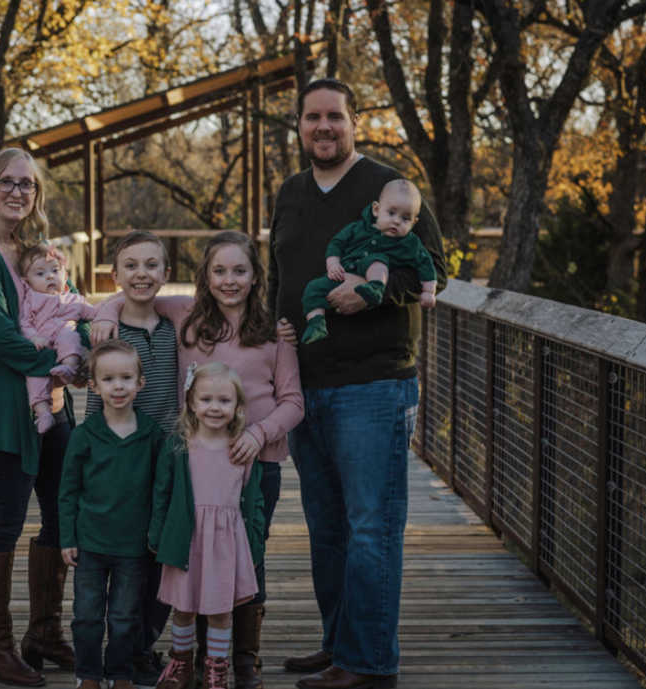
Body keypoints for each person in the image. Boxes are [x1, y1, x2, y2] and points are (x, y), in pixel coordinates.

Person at [267, 79, 447, 689]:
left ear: (353, 122)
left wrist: (371, 295)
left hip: (372, 385)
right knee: (327, 526)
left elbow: (434, 271)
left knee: (372, 525)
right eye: (313, 117)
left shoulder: (389, 187)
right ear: (299, 124)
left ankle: (370, 665)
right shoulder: (290, 193)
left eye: (335, 117)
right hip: (304, 386)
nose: (324, 127)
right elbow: (278, 276)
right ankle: (340, 643)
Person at [93, 230, 304, 689]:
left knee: (248, 556)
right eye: (219, 271)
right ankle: (188, 654)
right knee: (189, 555)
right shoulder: (186, 315)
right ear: (205, 277)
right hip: (193, 468)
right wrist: (106, 311)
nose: (229, 280)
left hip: (253, 464)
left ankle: (241, 657)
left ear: (254, 277)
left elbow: (293, 402)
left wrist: (258, 433)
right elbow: (134, 295)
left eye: (240, 271)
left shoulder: (273, 333)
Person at [0, 147, 80, 686]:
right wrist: (67, 365)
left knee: (60, 512)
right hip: (7, 407)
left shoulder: (32, 248)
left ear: (36, 193)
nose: (17, 192)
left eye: (27, 184)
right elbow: (1, 336)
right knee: (5, 520)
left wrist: (89, 345)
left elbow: (67, 300)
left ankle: (43, 633)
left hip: (52, 401)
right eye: (7, 182)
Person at [84, 230, 180, 686]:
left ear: (166, 273)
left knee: (162, 556)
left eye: (151, 265)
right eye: (131, 265)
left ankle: (142, 646)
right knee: (124, 564)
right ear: (115, 274)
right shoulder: (106, 332)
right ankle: (120, 653)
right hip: (120, 465)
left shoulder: (175, 327)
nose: (141, 274)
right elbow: (92, 408)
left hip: (166, 461)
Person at [148, 362, 265, 689]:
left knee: (220, 612)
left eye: (224, 401)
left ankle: (216, 669)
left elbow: (254, 501)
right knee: (182, 608)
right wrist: (157, 535)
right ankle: (181, 665)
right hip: (186, 539)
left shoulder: (242, 448)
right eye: (206, 399)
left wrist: (255, 543)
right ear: (191, 403)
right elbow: (162, 492)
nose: (215, 407)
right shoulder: (179, 445)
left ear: (238, 406)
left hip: (226, 543)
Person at [59, 339, 166, 689]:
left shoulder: (153, 436)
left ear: (140, 383)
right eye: (107, 379)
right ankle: (88, 674)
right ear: (93, 386)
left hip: (133, 548)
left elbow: (159, 490)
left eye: (125, 378)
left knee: (124, 616)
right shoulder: (84, 435)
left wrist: (154, 535)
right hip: (90, 543)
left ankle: (120, 673)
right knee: (87, 616)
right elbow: (68, 491)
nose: (117, 386)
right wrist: (67, 537)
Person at [300, 178, 436, 344]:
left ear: (414, 222)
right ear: (376, 209)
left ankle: (375, 288)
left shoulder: (410, 244)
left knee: (377, 261)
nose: (396, 221)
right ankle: (317, 323)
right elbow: (337, 243)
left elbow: (427, 265)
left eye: (405, 218)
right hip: (342, 275)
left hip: (374, 277)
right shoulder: (358, 228)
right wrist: (333, 263)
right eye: (391, 213)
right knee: (313, 288)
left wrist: (429, 291)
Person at [18, 243, 96, 432]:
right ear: (27, 281)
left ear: (65, 277)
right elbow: (24, 323)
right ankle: (43, 413)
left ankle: (69, 367)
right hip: (42, 343)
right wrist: (34, 337)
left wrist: (108, 315)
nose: (50, 276)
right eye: (40, 274)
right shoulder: (30, 300)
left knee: (69, 338)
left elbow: (92, 312)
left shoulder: (71, 298)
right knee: (35, 379)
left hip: (61, 336)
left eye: (55, 271)